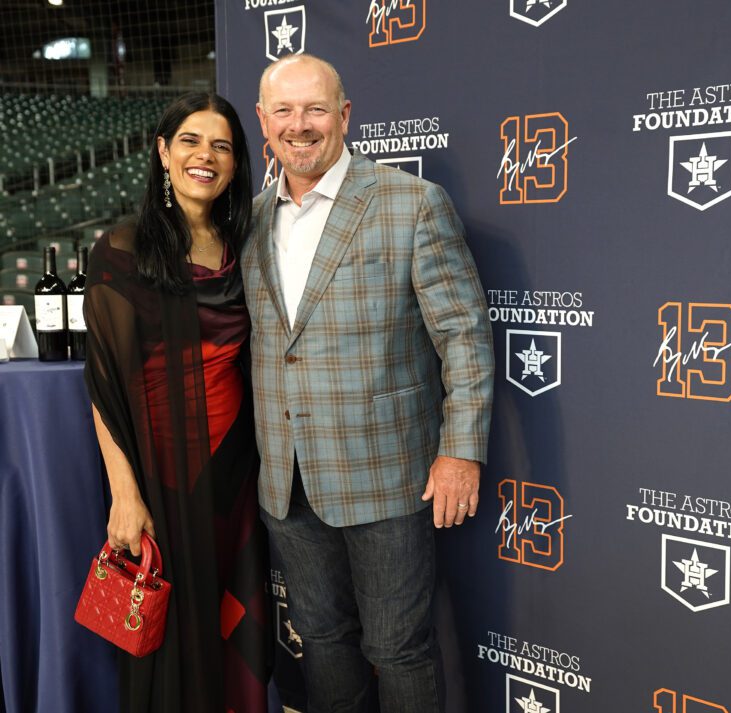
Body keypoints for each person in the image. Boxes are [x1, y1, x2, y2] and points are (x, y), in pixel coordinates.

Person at [242, 54, 494, 712]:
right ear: (263, 121)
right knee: (323, 639)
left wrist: (461, 448)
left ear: (345, 116)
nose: (301, 125)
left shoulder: (410, 204)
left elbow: (462, 333)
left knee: (397, 647)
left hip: (386, 476)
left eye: (316, 109)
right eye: (285, 111)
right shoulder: (252, 219)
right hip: (286, 480)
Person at [84, 92, 267, 713]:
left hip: (238, 474)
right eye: (190, 141)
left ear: (237, 163)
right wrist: (125, 495)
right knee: (172, 637)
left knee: (233, 624)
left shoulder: (247, 245)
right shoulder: (120, 251)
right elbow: (104, 389)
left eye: (221, 145)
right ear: (163, 152)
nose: (205, 156)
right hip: (165, 476)